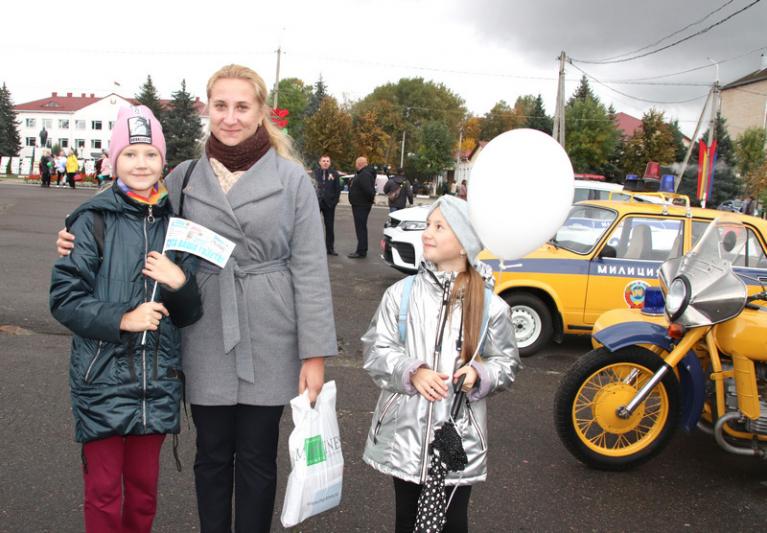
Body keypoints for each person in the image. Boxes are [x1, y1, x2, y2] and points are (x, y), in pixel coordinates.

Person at [58, 64, 337, 533]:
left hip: (271, 328)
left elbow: (310, 268)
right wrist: (71, 232)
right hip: (204, 326)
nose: (230, 118)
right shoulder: (185, 177)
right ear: (208, 109)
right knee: (210, 455)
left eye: (242, 107)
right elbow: (128, 208)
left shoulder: (292, 181)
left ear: (261, 111)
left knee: (257, 456)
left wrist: (314, 354)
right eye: (221, 106)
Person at [49, 105, 203, 533]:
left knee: (143, 492)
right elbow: (63, 299)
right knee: (101, 492)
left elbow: (190, 313)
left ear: (163, 162)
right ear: (114, 159)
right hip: (101, 378)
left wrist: (179, 284)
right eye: (131, 153)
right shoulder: (90, 220)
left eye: (150, 154)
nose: (141, 163)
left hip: (156, 381)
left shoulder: (179, 225)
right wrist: (124, 318)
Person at [362, 195, 520, 533]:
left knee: (452, 522)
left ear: (463, 244)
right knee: (406, 519)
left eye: (438, 226)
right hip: (405, 434)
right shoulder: (401, 294)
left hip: (458, 437)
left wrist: (481, 374)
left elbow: (507, 362)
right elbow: (376, 350)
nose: (426, 233)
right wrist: (411, 371)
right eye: (427, 225)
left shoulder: (491, 306)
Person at [348, 156, 377, 258]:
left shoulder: (364, 174)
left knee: (361, 228)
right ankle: (361, 249)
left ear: (359, 164)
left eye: (356, 164)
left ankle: (361, 251)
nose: (355, 165)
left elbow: (369, 191)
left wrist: (368, 200)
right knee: (361, 228)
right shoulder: (364, 174)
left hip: (361, 205)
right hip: (360, 204)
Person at [314, 154, 342, 255]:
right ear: (320, 162)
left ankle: (330, 248)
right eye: (323, 161)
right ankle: (314, 248)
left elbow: (337, 189)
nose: (325, 162)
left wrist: (334, 202)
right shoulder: (315, 173)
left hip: (329, 204)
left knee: (329, 227)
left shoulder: (334, 174)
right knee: (314, 226)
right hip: (316, 204)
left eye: (327, 161)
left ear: (330, 163)